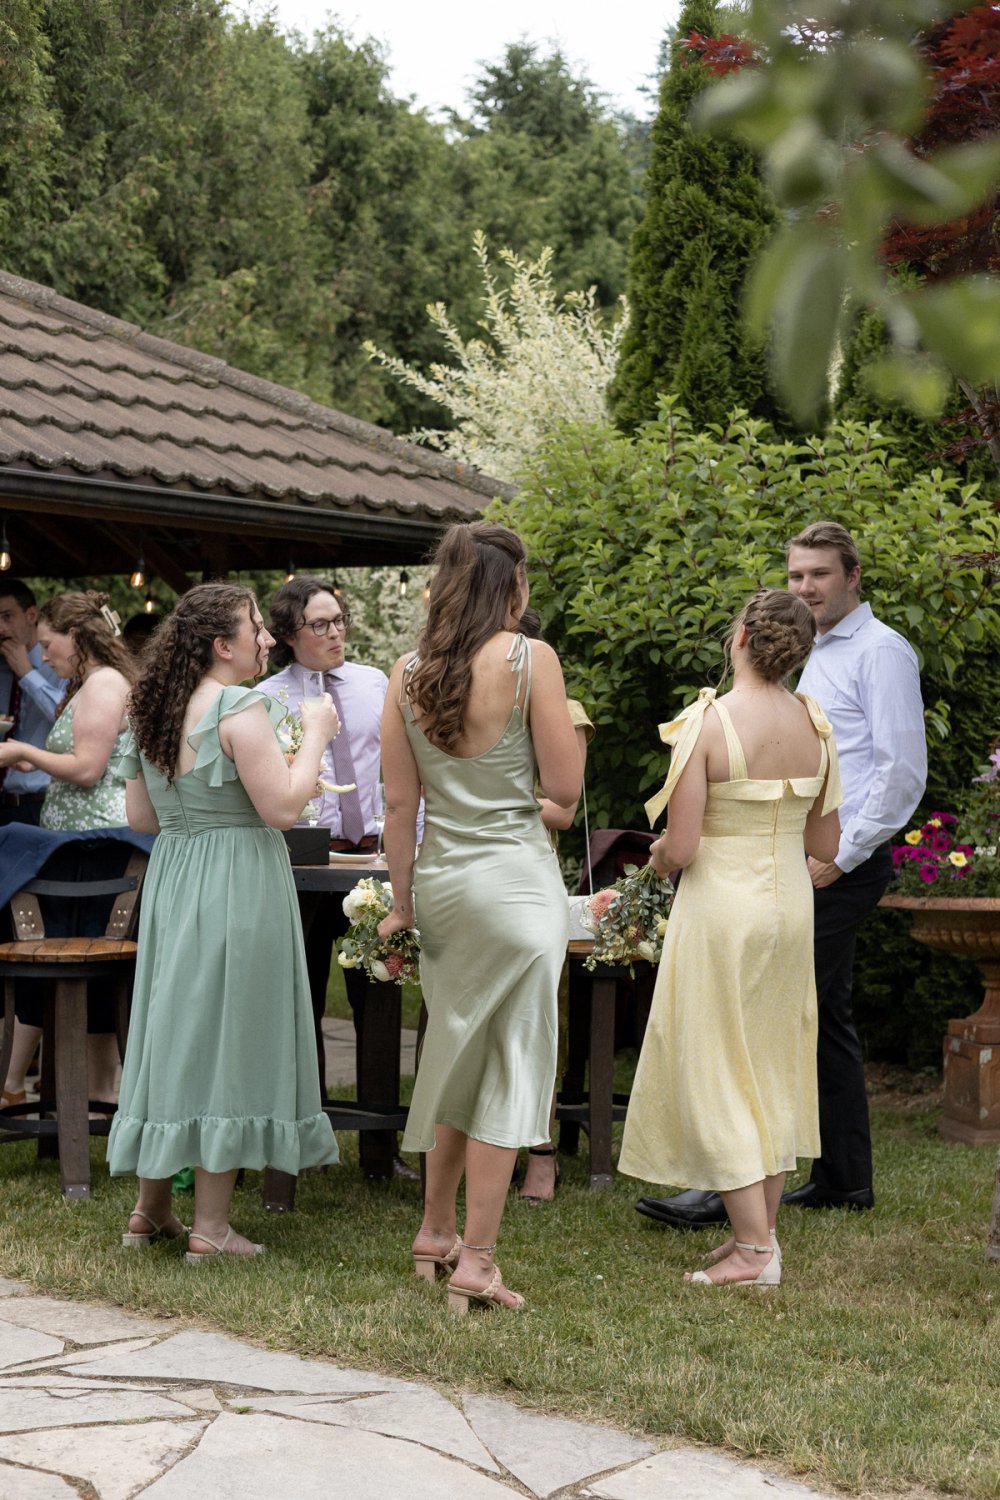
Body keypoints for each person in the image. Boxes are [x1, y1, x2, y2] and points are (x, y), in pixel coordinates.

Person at [637, 521, 927, 1232]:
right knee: (815, 1017)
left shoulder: (882, 652)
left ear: (853, 576)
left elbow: (899, 770)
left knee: (760, 1021)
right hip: (786, 859)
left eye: (819, 575)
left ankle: (734, 1181)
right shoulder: (803, 666)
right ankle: (838, 1175)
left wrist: (841, 853)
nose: (806, 587)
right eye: (796, 575)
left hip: (830, 861)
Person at [378, 522, 581, 1312]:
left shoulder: (406, 673)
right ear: (515, 584)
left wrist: (401, 904)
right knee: (511, 1066)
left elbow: (401, 805)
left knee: (454, 1052)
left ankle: (435, 1230)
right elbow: (563, 791)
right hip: (520, 889)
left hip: (446, 890)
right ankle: (480, 1260)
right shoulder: (533, 661)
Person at [108, 582, 339, 1260]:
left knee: (175, 1031)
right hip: (239, 881)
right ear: (222, 645)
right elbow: (284, 809)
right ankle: (210, 1227)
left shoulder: (155, 707)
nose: (268, 639)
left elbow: (141, 819)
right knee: (228, 1038)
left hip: (175, 878)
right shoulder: (241, 708)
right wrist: (317, 738)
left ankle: (150, 1210)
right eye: (256, 627)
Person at [619, 589, 842, 1286]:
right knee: (771, 1064)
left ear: (741, 636)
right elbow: (826, 840)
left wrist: (652, 858)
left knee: (718, 1064)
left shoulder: (710, 722)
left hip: (722, 909)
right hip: (789, 908)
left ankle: (751, 1250)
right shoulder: (815, 719)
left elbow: (682, 846)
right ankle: (761, 1238)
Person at [260, 576, 415, 1177]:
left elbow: (402, 772)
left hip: (372, 857)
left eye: (339, 620)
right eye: (320, 625)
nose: (335, 633)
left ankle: (380, 1148)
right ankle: (305, 1139)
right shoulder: (268, 696)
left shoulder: (376, 682)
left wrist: (411, 840)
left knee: (378, 988)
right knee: (300, 995)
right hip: (301, 861)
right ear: (289, 635)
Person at [0, 591, 136, 1107]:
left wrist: (21, 750)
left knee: (58, 965)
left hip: (96, 848)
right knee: (85, 979)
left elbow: (88, 768)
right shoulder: (91, 683)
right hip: (81, 846)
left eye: (50, 645)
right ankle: (96, 1092)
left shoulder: (103, 685)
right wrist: (42, 762)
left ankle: (19, 1085)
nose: (46, 656)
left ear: (77, 638)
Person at [515, 606, 593, 1205]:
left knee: (542, 1013)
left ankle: (541, 1151)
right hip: (467, 864)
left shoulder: (566, 715)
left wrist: (488, 795)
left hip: (530, 872)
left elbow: (563, 810)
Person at [0, 580, 62, 827]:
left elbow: (70, 720)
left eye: (7, 616)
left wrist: (28, 675)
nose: (0, 628)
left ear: (31, 615)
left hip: (40, 803)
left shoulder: (59, 666)